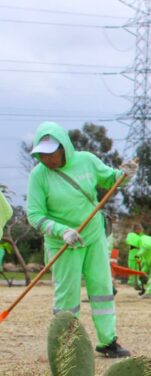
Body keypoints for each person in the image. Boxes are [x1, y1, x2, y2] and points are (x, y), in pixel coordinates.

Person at [26, 122, 137, 358]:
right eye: (42, 154)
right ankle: (67, 344)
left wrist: (124, 175)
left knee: (102, 288)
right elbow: (34, 215)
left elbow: (111, 179)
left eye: (51, 153)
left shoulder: (87, 160)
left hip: (94, 235)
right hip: (63, 243)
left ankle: (108, 341)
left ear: (64, 148)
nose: (46, 159)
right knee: (67, 295)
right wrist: (61, 231)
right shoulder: (39, 175)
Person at [127, 222, 144, 289]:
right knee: (132, 268)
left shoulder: (142, 236)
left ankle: (138, 282)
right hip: (132, 254)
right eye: (138, 229)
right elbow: (129, 242)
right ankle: (131, 281)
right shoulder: (130, 235)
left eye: (140, 229)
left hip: (140, 254)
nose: (139, 230)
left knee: (139, 268)